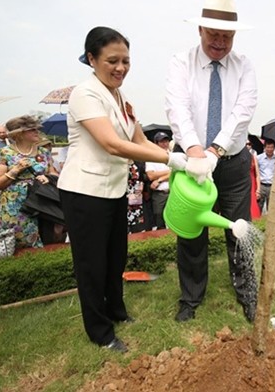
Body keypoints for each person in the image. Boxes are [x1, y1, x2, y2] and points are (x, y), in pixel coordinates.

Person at [58, 26, 187, 352]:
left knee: (116, 258)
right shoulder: (84, 94)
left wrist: (173, 158)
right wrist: (174, 160)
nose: (120, 68)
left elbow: (138, 140)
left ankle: (116, 310)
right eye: (112, 61)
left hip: (113, 190)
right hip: (85, 191)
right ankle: (100, 333)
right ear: (92, 59)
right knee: (92, 264)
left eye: (126, 61)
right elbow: (112, 144)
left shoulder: (121, 97)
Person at [165, 0, 258, 323]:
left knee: (239, 229)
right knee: (191, 233)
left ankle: (248, 293)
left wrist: (215, 150)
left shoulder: (243, 66)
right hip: (191, 164)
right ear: (200, 31)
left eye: (227, 36)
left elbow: (242, 112)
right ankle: (190, 297)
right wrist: (193, 151)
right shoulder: (181, 63)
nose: (220, 42)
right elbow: (178, 109)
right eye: (214, 34)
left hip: (231, 162)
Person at [0, 115, 58, 249]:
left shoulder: (44, 152)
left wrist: (48, 178)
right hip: (15, 205)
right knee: (16, 243)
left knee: (48, 240)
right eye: (32, 130)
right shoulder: (4, 153)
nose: (36, 132)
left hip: (42, 201)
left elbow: (54, 173)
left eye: (36, 129)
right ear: (19, 134)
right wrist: (15, 170)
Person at [145, 132, 172, 230]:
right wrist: (169, 172)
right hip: (159, 194)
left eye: (166, 141)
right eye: (162, 141)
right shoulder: (151, 158)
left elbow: (176, 173)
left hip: (173, 191)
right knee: (159, 217)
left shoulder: (174, 156)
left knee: (174, 218)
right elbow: (151, 175)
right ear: (156, 143)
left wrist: (160, 179)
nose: (165, 143)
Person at [257, 138, 275, 213]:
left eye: (272, 147)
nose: (270, 149)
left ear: (274, 148)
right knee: (259, 206)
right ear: (264, 148)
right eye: (268, 147)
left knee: (272, 208)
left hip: (272, 186)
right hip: (262, 185)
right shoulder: (259, 158)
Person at [247, 139, 261, 219]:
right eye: (245, 144)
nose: (247, 146)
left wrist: (258, 189)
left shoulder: (253, 157)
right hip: (242, 185)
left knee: (253, 208)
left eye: (249, 144)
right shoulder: (236, 158)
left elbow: (257, 175)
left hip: (252, 185)